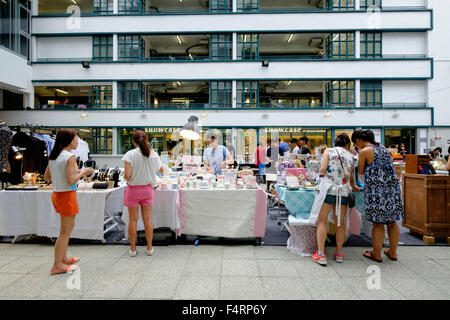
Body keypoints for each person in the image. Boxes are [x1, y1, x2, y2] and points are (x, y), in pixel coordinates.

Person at [44, 128, 94, 275]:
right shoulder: (69, 157)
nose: (78, 141)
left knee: (65, 230)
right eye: (76, 138)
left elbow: (47, 176)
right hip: (67, 196)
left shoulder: (55, 155)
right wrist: (83, 172)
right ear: (70, 140)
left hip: (58, 194)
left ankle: (63, 258)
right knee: (65, 232)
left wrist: (75, 173)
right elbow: (70, 180)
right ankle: (57, 265)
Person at [352, 129, 404, 263]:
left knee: (378, 223)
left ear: (358, 140)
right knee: (392, 222)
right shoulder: (384, 149)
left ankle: (376, 254)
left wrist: (359, 157)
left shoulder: (364, 151)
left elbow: (361, 171)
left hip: (377, 190)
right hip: (393, 189)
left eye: (355, 143)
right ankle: (393, 253)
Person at [311, 133, 360, 266]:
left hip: (328, 190)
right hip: (343, 191)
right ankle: (339, 253)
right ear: (347, 145)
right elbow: (350, 177)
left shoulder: (329, 151)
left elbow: (322, 169)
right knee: (340, 223)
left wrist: (320, 177)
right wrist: (354, 187)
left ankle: (321, 254)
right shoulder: (352, 156)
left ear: (335, 143)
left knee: (322, 221)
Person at [123, 130, 164, 257]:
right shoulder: (153, 154)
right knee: (147, 219)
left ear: (134, 141)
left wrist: (128, 176)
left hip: (133, 190)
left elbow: (127, 175)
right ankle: (149, 248)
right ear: (146, 140)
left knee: (133, 220)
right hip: (147, 190)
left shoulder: (130, 155)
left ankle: (133, 249)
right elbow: (161, 170)